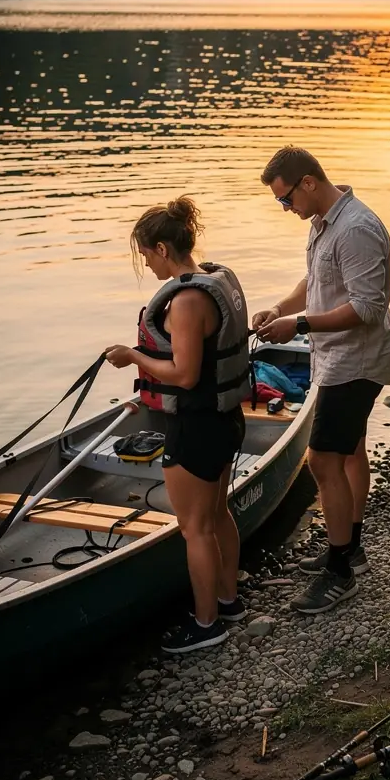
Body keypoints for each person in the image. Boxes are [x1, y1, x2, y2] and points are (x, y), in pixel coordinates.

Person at [254, 146, 390, 615]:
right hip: (339, 360)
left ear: (308, 183)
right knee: (351, 450)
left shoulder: (355, 229)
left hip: (355, 364)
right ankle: (349, 545)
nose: (286, 209)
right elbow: (313, 281)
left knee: (321, 461)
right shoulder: (324, 223)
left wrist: (298, 327)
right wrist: (281, 308)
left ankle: (340, 573)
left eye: (285, 199)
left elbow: (366, 308)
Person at [105, 197, 251, 655]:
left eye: (146, 254)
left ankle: (206, 624)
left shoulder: (186, 301)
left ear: (164, 248)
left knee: (194, 528)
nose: (146, 263)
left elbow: (184, 374)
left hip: (196, 426)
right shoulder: (215, 279)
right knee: (217, 514)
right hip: (226, 419)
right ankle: (229, 603)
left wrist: (132, 356)